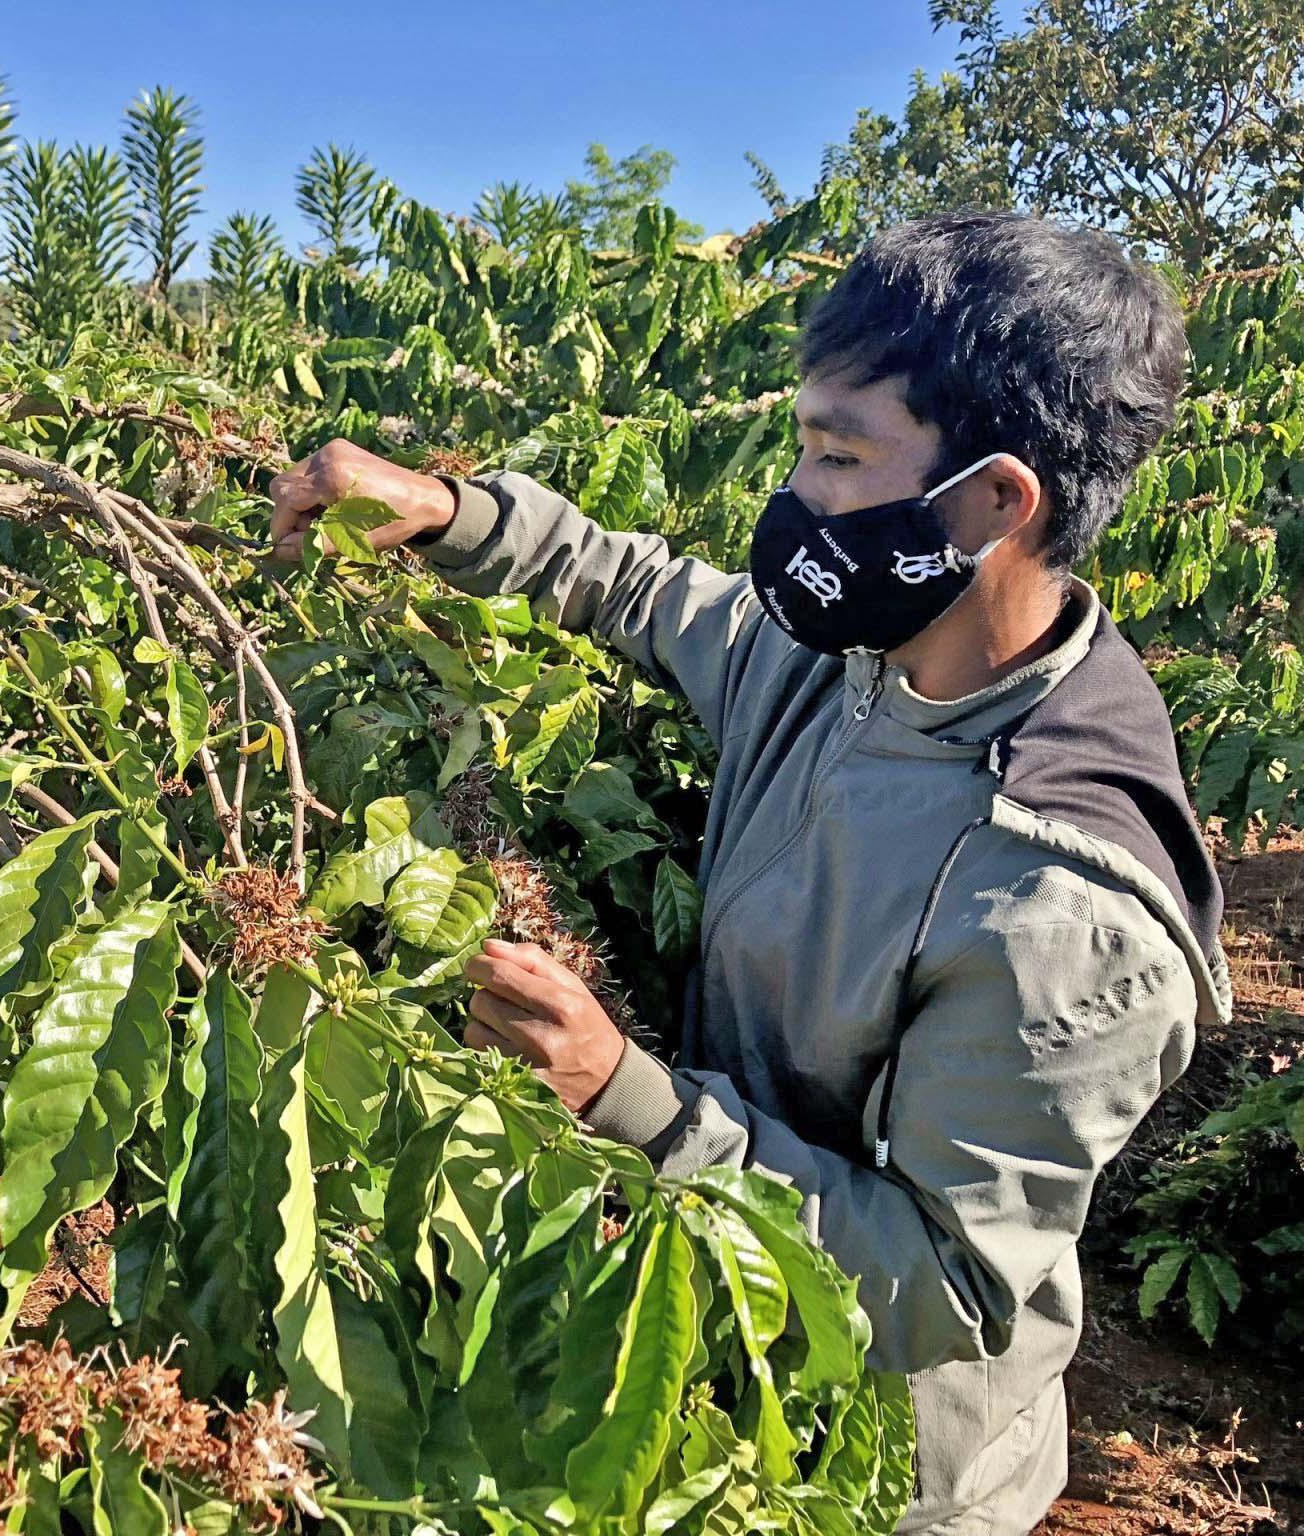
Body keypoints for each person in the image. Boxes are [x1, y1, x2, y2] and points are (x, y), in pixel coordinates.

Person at [267, 211, 1228, 1535]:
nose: (798, 495)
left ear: (997, 501)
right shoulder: (848, 661)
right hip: (713, 1346)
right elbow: (646, 593)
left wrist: (628, 1098)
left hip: (870, 1470)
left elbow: (938, 1287)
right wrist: (449, 513)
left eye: (838, 456)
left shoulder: (1062, 905)